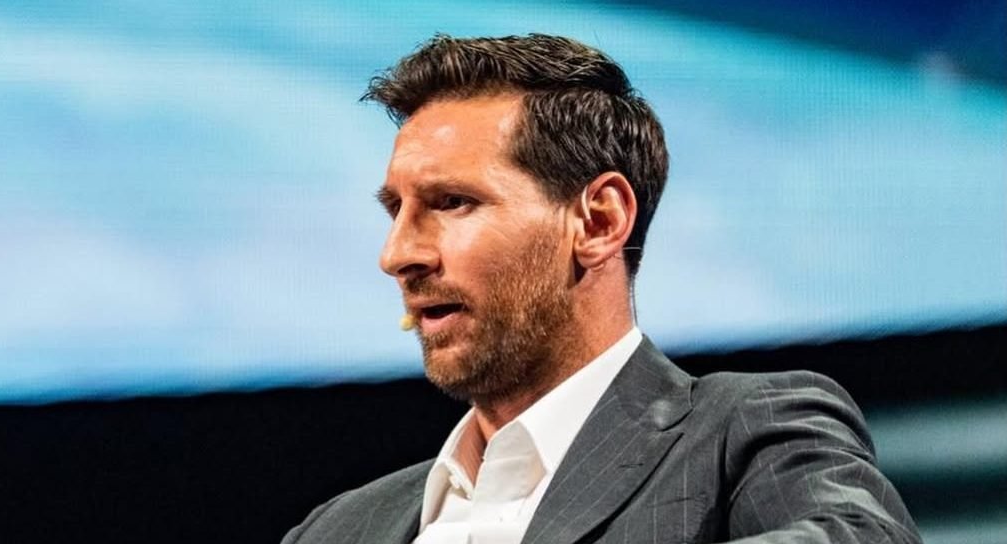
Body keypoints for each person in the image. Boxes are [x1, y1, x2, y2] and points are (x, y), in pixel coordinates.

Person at [283, 34, 921, 543]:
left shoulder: (746, 433)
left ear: (598, 222)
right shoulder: (336, 528)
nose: (398, 255)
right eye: (395, 209)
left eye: (452, 202)